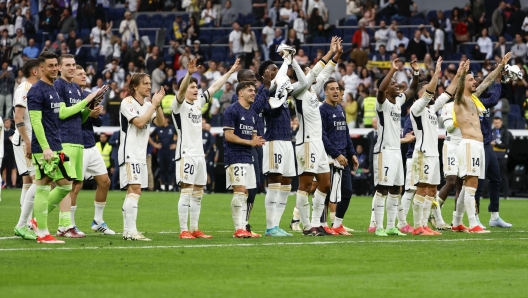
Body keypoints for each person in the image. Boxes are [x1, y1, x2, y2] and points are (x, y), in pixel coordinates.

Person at [28, 51, 95, 244]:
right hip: (45, 148)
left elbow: (58, 118)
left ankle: (36, 223)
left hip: (57, 145)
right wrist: (45, 148)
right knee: (42, 188)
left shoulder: (54, 90)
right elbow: (36, 122)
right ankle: (42, 232)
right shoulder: (37, 90)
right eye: (50, 65)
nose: (54, 68)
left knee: (66, 185)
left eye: (56, 65)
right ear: (41, 68)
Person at [173, 58, 239, 239]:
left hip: (199, 155)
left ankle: (194, 228)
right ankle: (183, 229)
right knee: (186, 191)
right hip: (186, 154)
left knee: (198, 192)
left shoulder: (197, 104)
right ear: (185, 89)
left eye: (197, 87)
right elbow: (179, 92)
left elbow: (215, 87)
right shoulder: (178, 105)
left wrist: (231, 71)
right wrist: (189, 74)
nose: (196, 89)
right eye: (192, 87)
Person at [289, 38, 342, 236]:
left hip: (318, 144)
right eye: (309, 71)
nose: (313, 72)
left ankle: (316, 223)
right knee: (304, 185)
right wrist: (329, 52)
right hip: (306, 143)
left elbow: (325, 72)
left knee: (325, 184)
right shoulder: (298, 90)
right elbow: (318, 72)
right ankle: (305, 226)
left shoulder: (312, 90)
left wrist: (336, 56)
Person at [408, 57, 459, 236]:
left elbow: (447, 93)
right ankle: (417, 227)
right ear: (419, 95)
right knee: (422, 189)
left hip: (433, 155)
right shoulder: (416, 108)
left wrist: (459, 74)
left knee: (431, 190)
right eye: (426, 92)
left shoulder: (431, 109)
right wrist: (436, 72)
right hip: (422, 154)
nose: (432, 95)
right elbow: (431, 91)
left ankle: (425, 225)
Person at [370, 58, 419, 237]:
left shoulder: (398, 101)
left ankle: (391, 226)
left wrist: (416, 72)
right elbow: (381, 88)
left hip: (396, 151)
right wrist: (391, 70)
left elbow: (413, 89)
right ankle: (379, 227)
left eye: (396, 82)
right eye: (393, 83)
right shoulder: (381, 103)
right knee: (382, 189)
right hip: (384, 151)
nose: (396, 84)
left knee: (396, 189)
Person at [119, 73, 165, 241]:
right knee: (135, 189)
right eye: (145, 83)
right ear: (135, 86)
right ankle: (132, 232)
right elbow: (138, 123)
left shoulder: (147, 105)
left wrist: (157, 105)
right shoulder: (127, 102)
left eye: (149, 83)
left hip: (140, 153)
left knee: (134, 191)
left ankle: (128, 231)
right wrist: (153, 105)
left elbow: (160, 122)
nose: (149, 86)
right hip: (129, 151)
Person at [258, 52, 298, 237]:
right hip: (273, 140)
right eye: (274, 69)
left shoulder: (282, 89)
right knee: (274, 181)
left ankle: (277, 225)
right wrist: (266, 87)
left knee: (287, 183)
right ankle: (270, 226)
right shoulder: (262, 91)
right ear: (266, 73)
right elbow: (261, 109)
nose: (278, 72)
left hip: (287, 140)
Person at [472, 53, 513, 228]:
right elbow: (495, 99)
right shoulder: (472, 101)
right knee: (479, 184)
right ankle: (475, 217)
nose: (478, 83)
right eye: (475, 81)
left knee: (496, 179)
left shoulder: (482, 99)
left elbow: (501, 95)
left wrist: (503, 79)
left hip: (487, 144)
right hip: (476, 145)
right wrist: (496, 80)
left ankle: (494, 216)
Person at [72, 65, 114, 235]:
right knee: (75, 186)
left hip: (90, 143)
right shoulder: (69, 95)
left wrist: (96, 115)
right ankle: (69, 224)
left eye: (84, 73)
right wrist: (89, 113)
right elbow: (71, 120)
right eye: (79, 74)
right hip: (76, 144)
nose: (84, 76)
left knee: (105, 182)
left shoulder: (88, 94)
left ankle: (97, 221)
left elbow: (98, 123)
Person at [451, 59, 489, 233]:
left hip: (477, 145)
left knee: (467, 186)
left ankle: (457, 222)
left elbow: (487, 82)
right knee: (471, 184)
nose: (475, 82)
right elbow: (457, 90)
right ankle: (473, 223)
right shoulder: (459, 100)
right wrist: (461, 73)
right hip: (469, 144)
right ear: (463, 83)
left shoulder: (473, 99)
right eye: (471, 79)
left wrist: (500, 67)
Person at [223, 81, 266, 238]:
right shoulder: (231, 110)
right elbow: (228, 135)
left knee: (246, 193)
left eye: (254, 90)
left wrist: (257, 140)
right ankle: (238, 229)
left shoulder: (252, 113)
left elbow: (253, 135)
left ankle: (243, 228)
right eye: (250, 90)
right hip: (234, 155)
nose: (254, 93)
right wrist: (250, 142)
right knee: (240, 191)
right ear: (240, 93)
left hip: (248, 156)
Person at [12, 59, 39, 240]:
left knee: (29, 182)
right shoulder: (24, 89)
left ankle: (26, 222)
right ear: (36, 71)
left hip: (29, 140)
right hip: (25, 141)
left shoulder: (35, 88)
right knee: (41, 180)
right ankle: (24, 224)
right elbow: (18, 117)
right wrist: (28, 141)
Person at [149, 115, 176, 191]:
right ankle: (163, 185)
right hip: (161, 151)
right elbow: (149, 136)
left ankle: (171, 185)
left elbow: (181, 136)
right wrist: (155, 145)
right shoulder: (158, 128)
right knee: (162, 168)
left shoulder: (172, 128)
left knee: (170, 168)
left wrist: (176, 144)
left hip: (170, 151)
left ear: (167, 119)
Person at [492, 117, 510, 200]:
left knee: (503, 175)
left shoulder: (505, 132)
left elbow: (505, 145)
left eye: (498, 123)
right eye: (495, 123)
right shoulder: (492, 131)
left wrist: (495, 144)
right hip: (493, 156)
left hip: (502, 156)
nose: (497, 124)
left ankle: (506, 194)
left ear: (501, 122)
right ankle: (489, 193)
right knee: (491, 176)